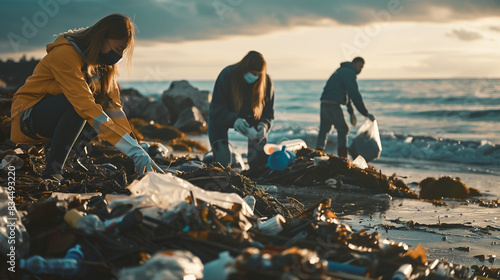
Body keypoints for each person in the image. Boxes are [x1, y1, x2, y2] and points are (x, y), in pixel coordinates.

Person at [10, 14, 163, 183]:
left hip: (53, 116)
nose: (118, 56)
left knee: (99, 103)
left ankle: (71, 157)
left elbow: (115, 110)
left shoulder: (104, 66)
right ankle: (52, 171)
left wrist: (135, 147)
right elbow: (84, 106)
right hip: (27, 118)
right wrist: (132, 150)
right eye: (118, 49)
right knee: (81, 106)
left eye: (122, 51)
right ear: (102, 37)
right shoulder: (65, 54)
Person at [208, 51, 274, 169]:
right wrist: (234, 120)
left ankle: (253, 172)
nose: (255, 76)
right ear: (244, 68)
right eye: (252, 73)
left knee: (258, 163)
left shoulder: (266, 82)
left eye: (258, 74)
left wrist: (264, 125)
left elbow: (268, 114)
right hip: (221, 119)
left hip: (252, 119)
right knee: (222, 163)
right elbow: (216, 109)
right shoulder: (227, 75)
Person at [316, 57, 376, 158]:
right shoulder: (349, 73)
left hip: (325, 102)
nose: (360, 70)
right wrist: (365, 113)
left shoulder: (341, 70)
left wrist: (351, 112)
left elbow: (346, 94)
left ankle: (318, 152)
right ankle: (342, 157)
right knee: (343, 129)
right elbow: (354, 94)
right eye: (359, 66)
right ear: (354, 63)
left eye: (362, 68)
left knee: (324, 130)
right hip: (332, 104)